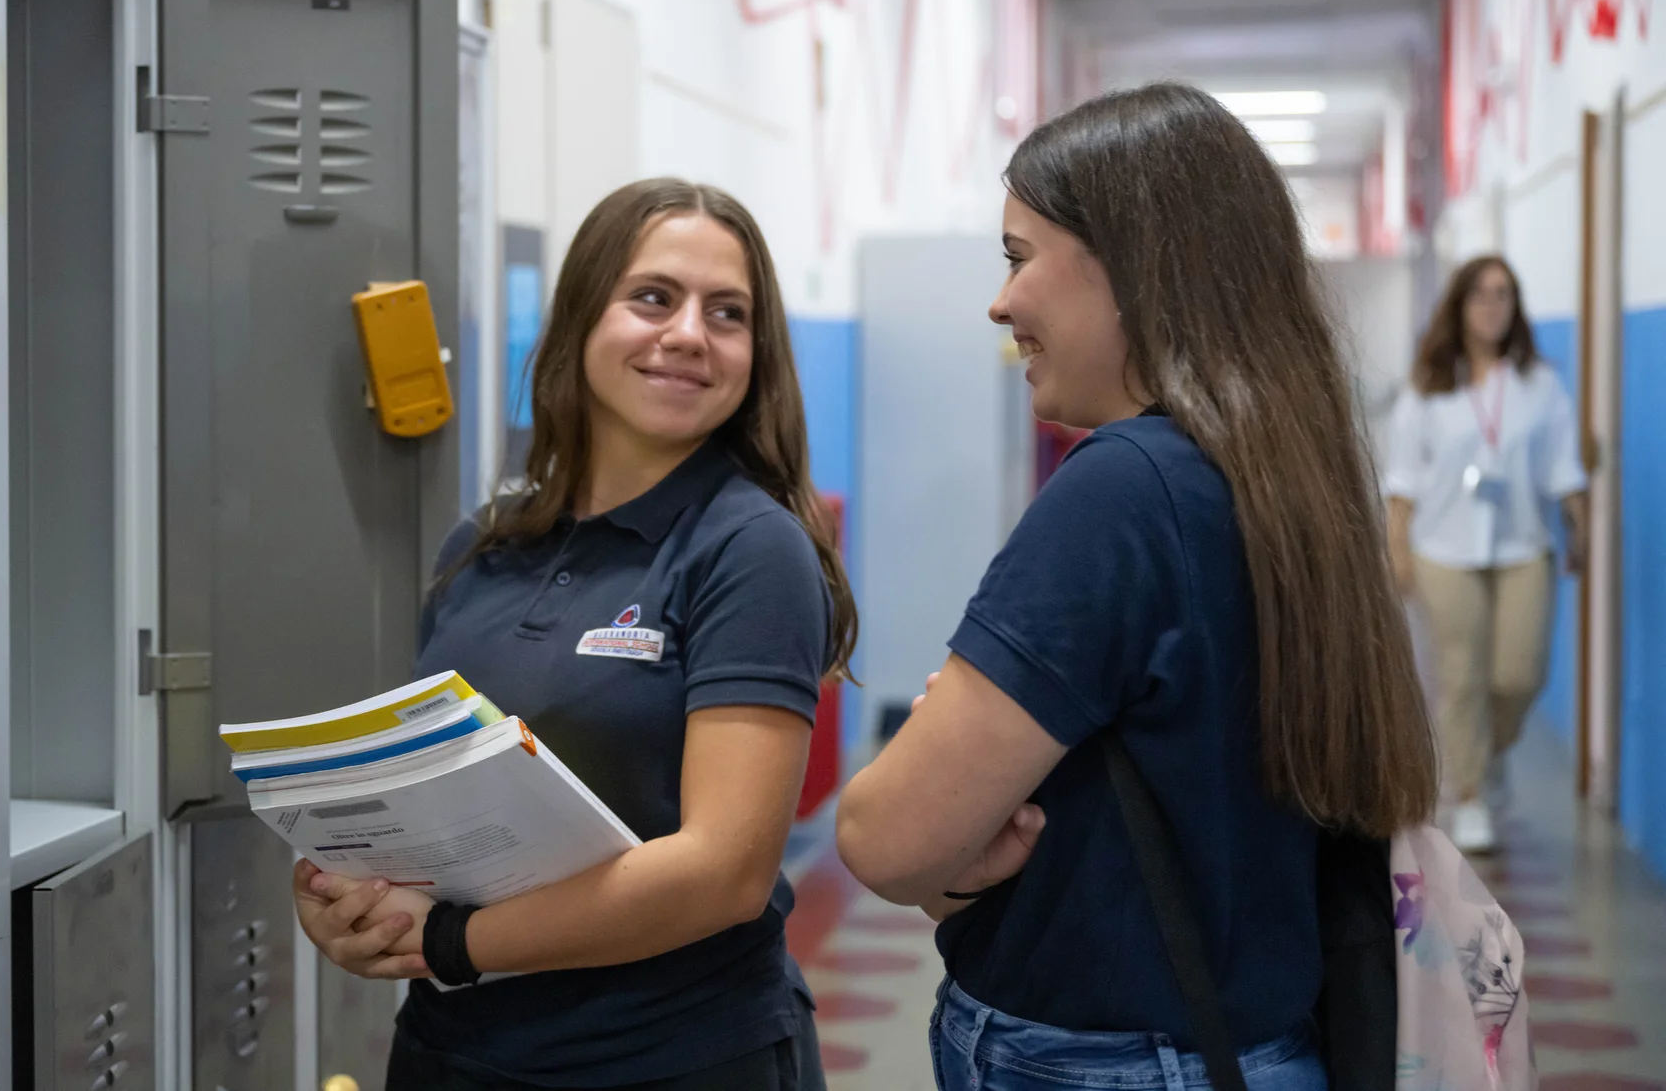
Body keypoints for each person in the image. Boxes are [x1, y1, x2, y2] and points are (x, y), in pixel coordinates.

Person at [835, 83, 1440, 1091]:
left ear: (1128, 263)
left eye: (1019, 258)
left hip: (1105, 1063)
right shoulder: (1285, 472)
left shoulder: (1123, 489)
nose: (1000, 302)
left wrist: (944, 839)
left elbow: (883, 838)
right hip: (1257, 1043)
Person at [292, 177, 855, 1090]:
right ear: (581, 318)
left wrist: (443, 940)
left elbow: (725, 872)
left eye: (727, 313)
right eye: (653, 297)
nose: (687, 334)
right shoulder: (481, 544)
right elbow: (427, 809)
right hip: (451, 1050)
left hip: (671, 1058)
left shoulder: (749, 548)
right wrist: (347, 903)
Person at [1385, 255, 1588, 854]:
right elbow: (1402, 479)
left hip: (1523, 546)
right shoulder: (1429, 384)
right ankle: (1470, 792)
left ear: (1516, 306)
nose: (1492, 306)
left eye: (1503, 295)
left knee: (1518, 676)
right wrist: (1397, 548)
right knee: (1461, 675)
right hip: (1443, 549)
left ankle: (1489, 753)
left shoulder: (1539, 384)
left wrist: (1578, 532)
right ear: (1460, 305)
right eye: (1481, 294)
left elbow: (1564, 468)